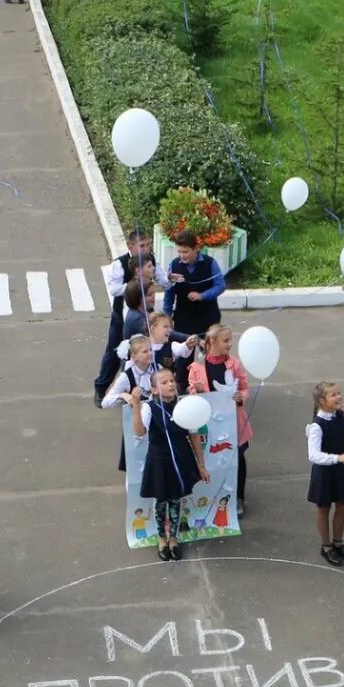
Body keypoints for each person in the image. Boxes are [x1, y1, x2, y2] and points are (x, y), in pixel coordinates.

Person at [128, 368, 206, 563]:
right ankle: (161, 538)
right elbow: (139, 432)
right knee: (161, 501)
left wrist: (201, 466)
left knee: (176, 500)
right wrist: (136, 405)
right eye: (164, 382)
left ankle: (173, 538)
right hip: (159, 461)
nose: (170, 384)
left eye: (172, 380)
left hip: (180, 459)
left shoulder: (184, 406)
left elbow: (194, 437)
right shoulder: (149, 408)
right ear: (154, 390)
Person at [188, 323, 253, 513]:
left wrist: (242, 397)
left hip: (233, 422)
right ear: (212, 342)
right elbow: (191, 391)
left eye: (231, 340)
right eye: (226, 340)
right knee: (213, 458)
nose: (230, 344)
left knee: (238, 458)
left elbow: (244, 387)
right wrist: (196, 391)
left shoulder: (234, 364)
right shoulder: (198, 366)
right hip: (210, 424)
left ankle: (238, 497)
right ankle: (213, 494)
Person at [96, 229, 159, 401]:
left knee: (144, 350)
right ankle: (101, 388)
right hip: (121, 315)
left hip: (143, 313)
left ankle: (138, 390)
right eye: (141, 246)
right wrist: (135, 285)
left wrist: (167, 277)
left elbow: (159, 277)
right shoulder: (120, 264)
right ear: (130, 247)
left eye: (147, 245)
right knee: (114, 351)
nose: (145, 249)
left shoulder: (150, 260)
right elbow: (114, 289)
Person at [307, 382, 344, 567]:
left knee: (343, 504)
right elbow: (313, 455)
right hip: (325, 471)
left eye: (339, 393)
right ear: (322, 401)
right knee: (323, 508)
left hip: (341, 468)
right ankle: (326, 546)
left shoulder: (340, 415)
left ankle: (338, 542)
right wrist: (337, 458)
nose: (338, 397)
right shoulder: (317, 425)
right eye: (333, 395)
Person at [162, 229, 225, 339]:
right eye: (179, 251)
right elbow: (169, 293)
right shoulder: (174, 265)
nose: (182, 255)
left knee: (210, 355)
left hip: (208, 319)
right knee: (183, 354)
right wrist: (167, 316)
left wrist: (202, 295)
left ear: (196, 248)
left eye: (185, 252)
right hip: (183, 320)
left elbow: (220, 285)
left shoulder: (210, 263)